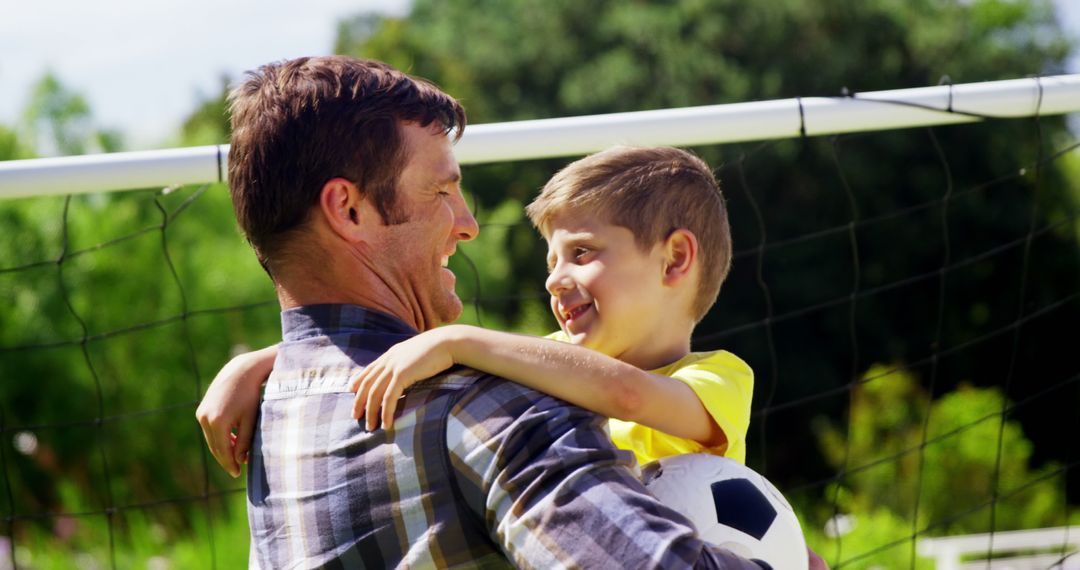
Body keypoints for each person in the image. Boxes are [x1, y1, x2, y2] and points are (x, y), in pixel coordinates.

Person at [203, 54, 766, 568]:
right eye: (442, 192)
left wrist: (281, 363)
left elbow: (627, 393)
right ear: (348, 209)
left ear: (675, 260)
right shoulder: (497, 408)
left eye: (584, 253)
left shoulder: (273, 414)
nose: (469, 223)